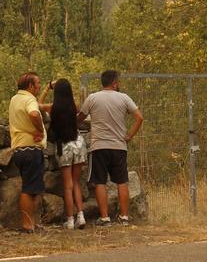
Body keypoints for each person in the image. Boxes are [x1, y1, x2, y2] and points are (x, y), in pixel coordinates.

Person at [77, 69, 143, 226]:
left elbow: (80, 117)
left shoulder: (92, 98)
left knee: (100, 182)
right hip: (119, 146)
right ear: (114, 83)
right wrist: (129, 136)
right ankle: (124, 217)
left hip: (99, 146)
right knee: (122, 181)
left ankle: (105, 218)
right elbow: (139, 117)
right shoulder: (124, 98)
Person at [43, 78, 87, 230]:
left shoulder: (52, 107)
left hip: (64, 146)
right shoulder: (74, 106)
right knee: (76, 183)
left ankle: (70, 220)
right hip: (79, 143)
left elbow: (36, 105)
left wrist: (47, 88)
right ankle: (81, 216)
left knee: (67, 185)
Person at [8, 72, 48, 233]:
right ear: (30, 86)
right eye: (38, 83)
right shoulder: (29, 99)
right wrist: (39, 129)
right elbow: (33, 113)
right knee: (29, 188)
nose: (39, 86)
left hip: (19, 148)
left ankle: (32, 223)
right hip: (31, 148)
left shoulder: (15, 99)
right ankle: (27, 225)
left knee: (31, 187)